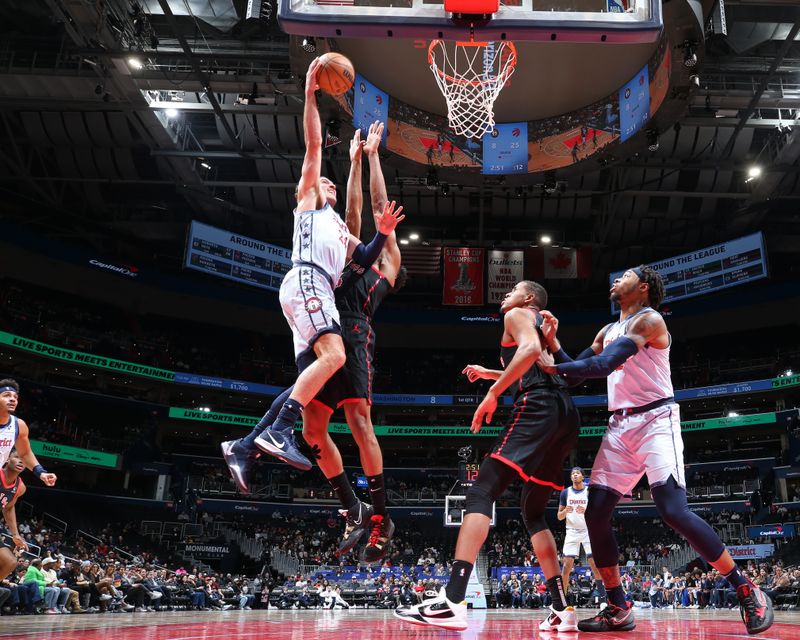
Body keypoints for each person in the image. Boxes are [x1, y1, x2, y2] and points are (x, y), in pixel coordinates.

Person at [539, 265, 774, 634]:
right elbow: (574, 373)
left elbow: (602, 366)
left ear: (643, 288)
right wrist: (553, 345)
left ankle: (747, 589)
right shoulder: (607, 329)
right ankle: (618, 606)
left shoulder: (649, 322)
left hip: (655, 420)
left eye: (625, 276)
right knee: (596, 513)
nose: (615, 279)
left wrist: (550, 367)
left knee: (673, 511)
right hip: (619, 426)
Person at [222, 58, 404, 473]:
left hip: (315, 287)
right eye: (324, 180)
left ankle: (247, 445)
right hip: (306, 278)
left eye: (330, 182)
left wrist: (385, 231)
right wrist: (309, 93)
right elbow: (315, 145)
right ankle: (274, 432)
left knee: (318, 374)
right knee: (336, 357)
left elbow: (363, 253)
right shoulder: (309, 201)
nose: (328, 183)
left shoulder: (338, 228)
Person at [394, 280, 580, 631]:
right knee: (534, 512)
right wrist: (491, 374)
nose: (506, 294)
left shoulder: (517, 315)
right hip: (566, 415)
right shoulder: (545, 327)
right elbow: (542, 370)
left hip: (538, 408)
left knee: (481, 492)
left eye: (512, 289)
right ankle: (562, 608)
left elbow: (525, 354)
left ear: (528, 299)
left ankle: (452, 599)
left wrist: (492, 392)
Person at [302, 120, 404, 562]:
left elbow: (379, 207)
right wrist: (355, 160)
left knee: (360, 424)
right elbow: (356, 209)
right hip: (322, 333)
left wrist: (377, 156)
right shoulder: (349, 252)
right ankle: (352, 508)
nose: (371, 231)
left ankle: (381, 518)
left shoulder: (385, 267)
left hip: (355, 333)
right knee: (311, 427)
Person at [558, 467, 605, 602]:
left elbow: (598, 513)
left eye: (577, 473)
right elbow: (559, 517)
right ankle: (562, 600)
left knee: (594, 564)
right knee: (566, 566)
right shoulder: (565, 493)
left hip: (588, 531)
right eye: (572, 473)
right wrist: (565, 511)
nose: (574, 475)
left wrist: (586, 511)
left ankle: (603, 601)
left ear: (582, 477)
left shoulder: (589, 492)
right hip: (571, 531)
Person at [0, 379, 57, 486]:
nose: (12, 399)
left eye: (15, 397)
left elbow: (25, 453)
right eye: (7, 395)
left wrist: (41, 473)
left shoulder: (19, 425)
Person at [0, 449, 27, 584]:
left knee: (10, 562)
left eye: (24, 459)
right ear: (7, 459)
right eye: (17, 457)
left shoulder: (20, 487)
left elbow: (9, 507)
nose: (21, 460)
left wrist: (15, 534)